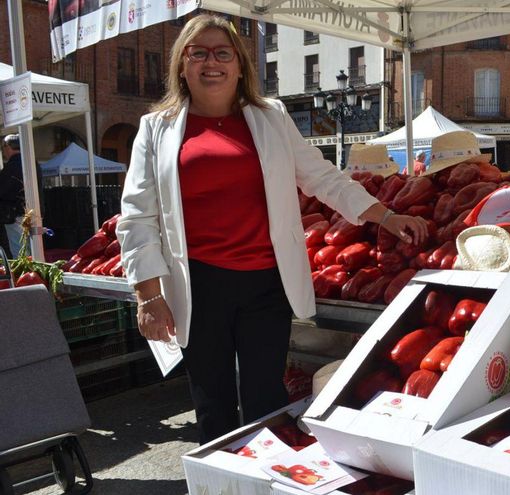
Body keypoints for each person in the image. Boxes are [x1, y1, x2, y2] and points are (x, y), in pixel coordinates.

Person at [117, 14, 428, 445]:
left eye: (223, 53)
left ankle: (265, 482)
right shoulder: (157, 129)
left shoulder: (271, 117)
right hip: (199, 286)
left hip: (266, 284)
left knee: (267, 400)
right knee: (213, 403)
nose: (212, 62)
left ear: (240, 65)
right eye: (199, 52)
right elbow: (137, 216)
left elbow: (322, 177)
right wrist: (148, 295)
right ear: (182, 64)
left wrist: (384, 215)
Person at [0, 134, 24, 258]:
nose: (3, 151)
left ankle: (23, 275)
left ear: (8, 147)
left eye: (3, 147)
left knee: (19, 250)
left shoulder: (12, 167)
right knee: (29, 248)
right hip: (29, 212)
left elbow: (3, 189)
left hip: (15, 214)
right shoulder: (31, 162)